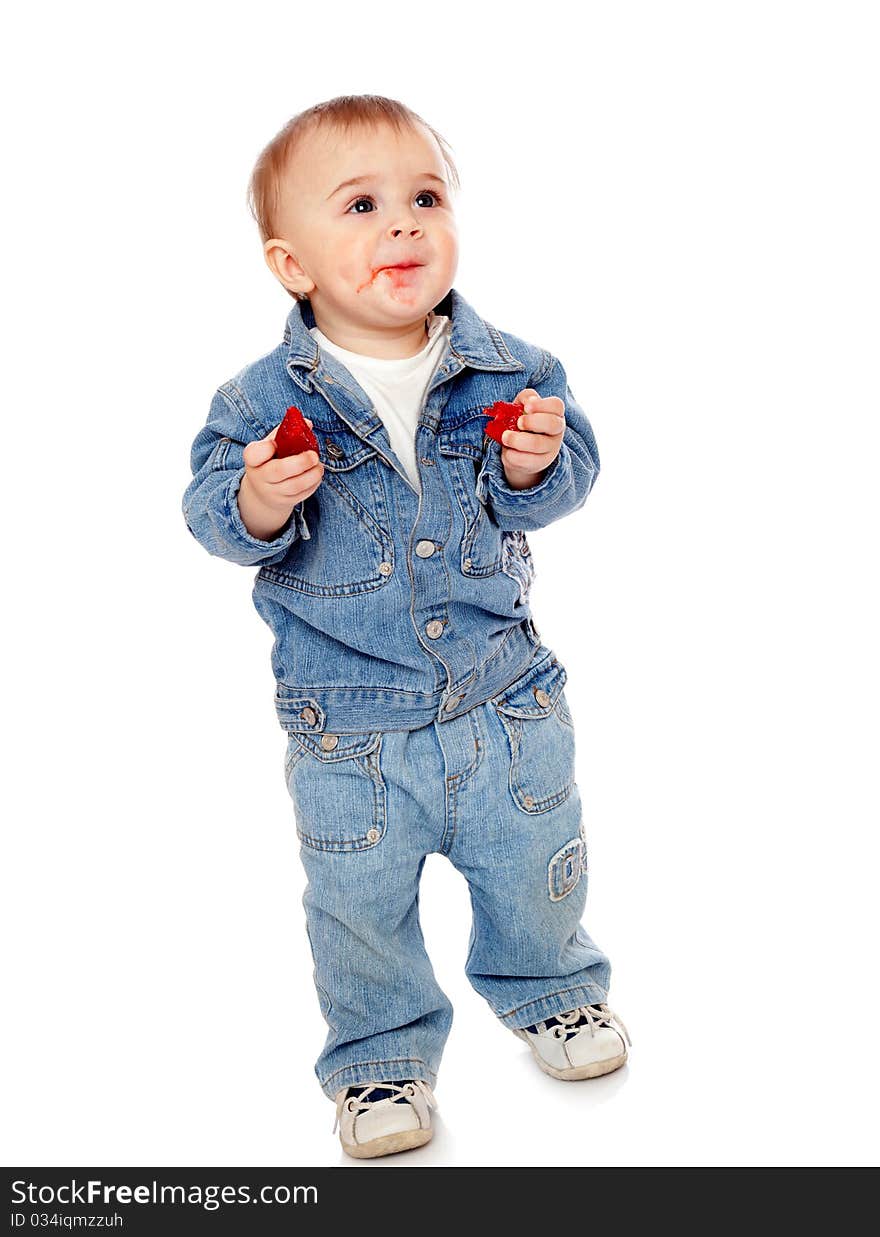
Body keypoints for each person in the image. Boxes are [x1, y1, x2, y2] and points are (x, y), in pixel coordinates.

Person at [182, 94, 630, 1160]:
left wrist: (533, 464)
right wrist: (259, 499)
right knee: (356, 906)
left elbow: (561, 480)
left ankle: (553, 986)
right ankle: (379, 1057)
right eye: (364, 205)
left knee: (534, 865)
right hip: (350, 729)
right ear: (291, 265)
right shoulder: (257, 403)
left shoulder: (511, 368)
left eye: (425, 197)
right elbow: (212, 517)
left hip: (503, 697)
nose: (404, 225)